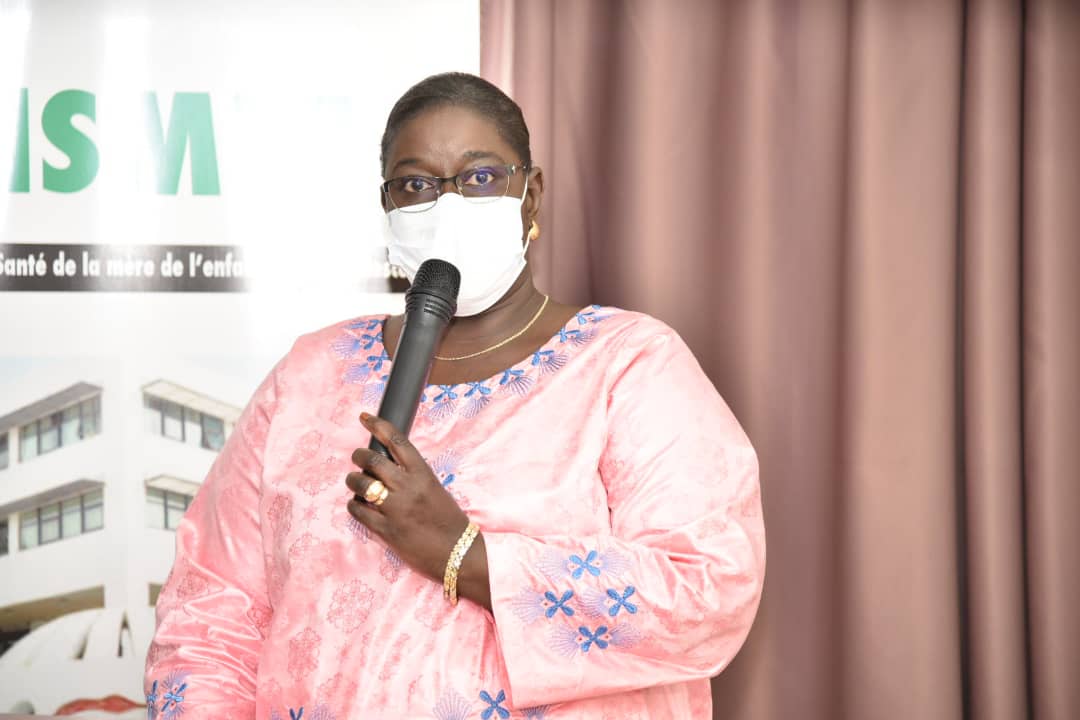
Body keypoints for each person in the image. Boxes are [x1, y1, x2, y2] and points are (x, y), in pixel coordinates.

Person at [144, 72, 765, 720]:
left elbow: (708, 589)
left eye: (480, 177)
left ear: (531, 196)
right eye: (415, 185)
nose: (446, 206)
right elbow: (207, 616)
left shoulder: (628, 365)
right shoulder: (308, 375)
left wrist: (465, 555)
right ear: (387, 205)